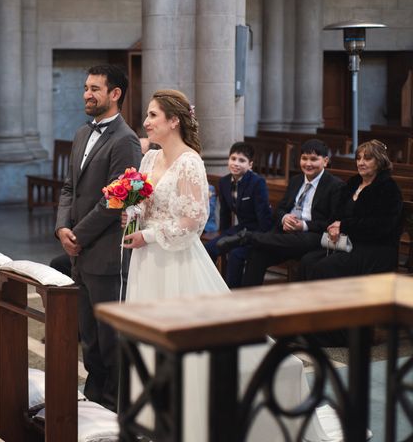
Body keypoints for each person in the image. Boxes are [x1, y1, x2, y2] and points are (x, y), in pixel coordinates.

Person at [122, 90, 336, 441]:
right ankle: (154, 414)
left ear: (173, 120)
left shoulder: (190, 162)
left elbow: (194, 222)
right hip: (146, 261)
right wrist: (130, 219)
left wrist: (151, 236)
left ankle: (190, 418)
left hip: (175, 261)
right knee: (145, 339)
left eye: (152, 115)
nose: (145, 122)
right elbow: (141, 206)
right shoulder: (148, 160)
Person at [55, 64, 142, 411]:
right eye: (86, 88)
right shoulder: (80, 134)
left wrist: (77, 233)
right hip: (78, 250)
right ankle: (93, 399)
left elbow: (117, 199)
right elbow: (68, 188)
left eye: (95, 89)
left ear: (115, 94)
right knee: (88, 336)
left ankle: (113, 405)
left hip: (106, 253)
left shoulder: (126, 140)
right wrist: (62, 227)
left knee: (109, 339)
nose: (87, 95)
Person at [218, 139, 344, 287]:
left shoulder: (335, 185)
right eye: (304, 158)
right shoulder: (296, 180)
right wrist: (284, 218)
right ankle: (247, 300)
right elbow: (279, 210)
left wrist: (303, 225)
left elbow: (332, 222)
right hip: (286, 235)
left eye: (314, 159)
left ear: (325, 161)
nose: (308, 163)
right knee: (257, 254)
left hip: (311, 236)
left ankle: (249, 237)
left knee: (300, 240)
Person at [300, 139, 402, 281]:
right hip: (347, 241)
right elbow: (337, 213)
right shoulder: (353, 182)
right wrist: (333, 226)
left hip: (376, 248)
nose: (361, 163)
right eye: (358, 158)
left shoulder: (388, 188)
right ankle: (304, 302)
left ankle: (330, 303)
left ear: (379, 161)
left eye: (367, 158)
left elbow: (382, 226)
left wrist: (343, 226)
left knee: (323, 267)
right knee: (307, 260)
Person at [204, 142, 273, 287]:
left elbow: (264, 218)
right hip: (240, 228)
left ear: (250, 165)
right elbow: (225, 213)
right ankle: (212, 286)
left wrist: (259, 239)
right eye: (233, 158)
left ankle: (231, 291)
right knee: (210, 247)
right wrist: (223, 235)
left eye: (242, 160)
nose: (236, 163)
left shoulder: (257, 183)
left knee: (236, 254)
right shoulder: (224, 182)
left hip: (256, 231)